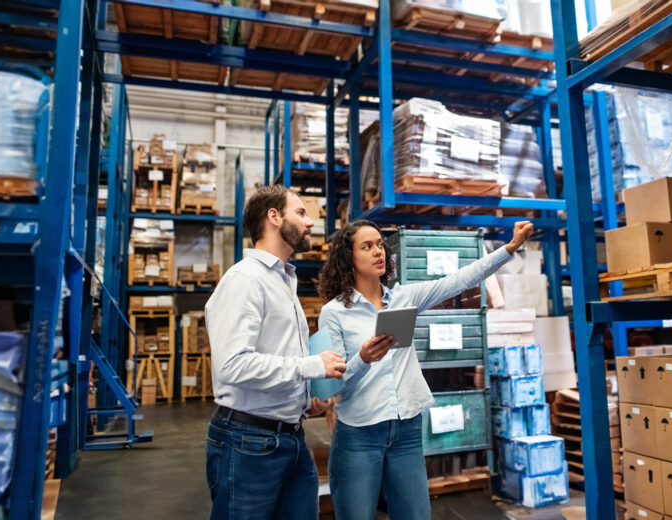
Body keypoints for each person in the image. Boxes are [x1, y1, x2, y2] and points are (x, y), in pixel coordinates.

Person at [316, 219, 534, 519]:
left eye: (380, 244)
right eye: (367, 246)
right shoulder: (334, 313)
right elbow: (333, 385)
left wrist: (509, 248)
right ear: (347, 257)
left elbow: (459, 280)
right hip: (359, 434)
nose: (379, 251)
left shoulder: (404, 297)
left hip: (406, 428)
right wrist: (363, 359)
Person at [204, 185, 348, 520]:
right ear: (274, 217)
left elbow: (275, 354)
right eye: (300, 213)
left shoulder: (283, 280)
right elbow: (232, 365)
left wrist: (303, 398)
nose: (310, 223)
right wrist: (312, 366)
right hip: (249, 442)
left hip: (290, 438)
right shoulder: (245, 280)